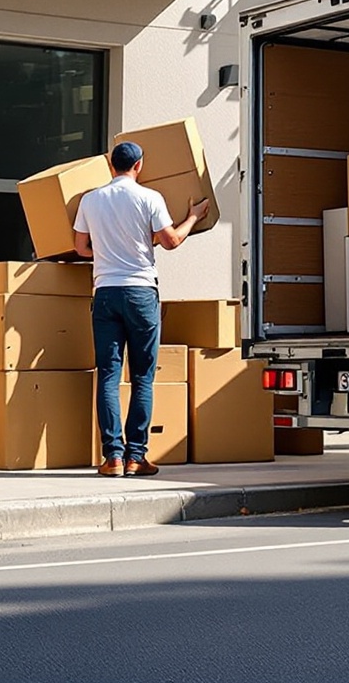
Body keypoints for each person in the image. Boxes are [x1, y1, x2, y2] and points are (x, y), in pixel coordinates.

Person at [72, 141, 210, 478]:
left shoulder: (90, 200)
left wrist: (109, 250)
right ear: (139, 166)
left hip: (105, 292)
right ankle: (137, 457)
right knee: (142, 377)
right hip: (141, 294)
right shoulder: (150, 198)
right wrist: (193, 216)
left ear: (111, 164)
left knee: (107, 375)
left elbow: (81, 248)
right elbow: (171, 241)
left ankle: (113, 459)